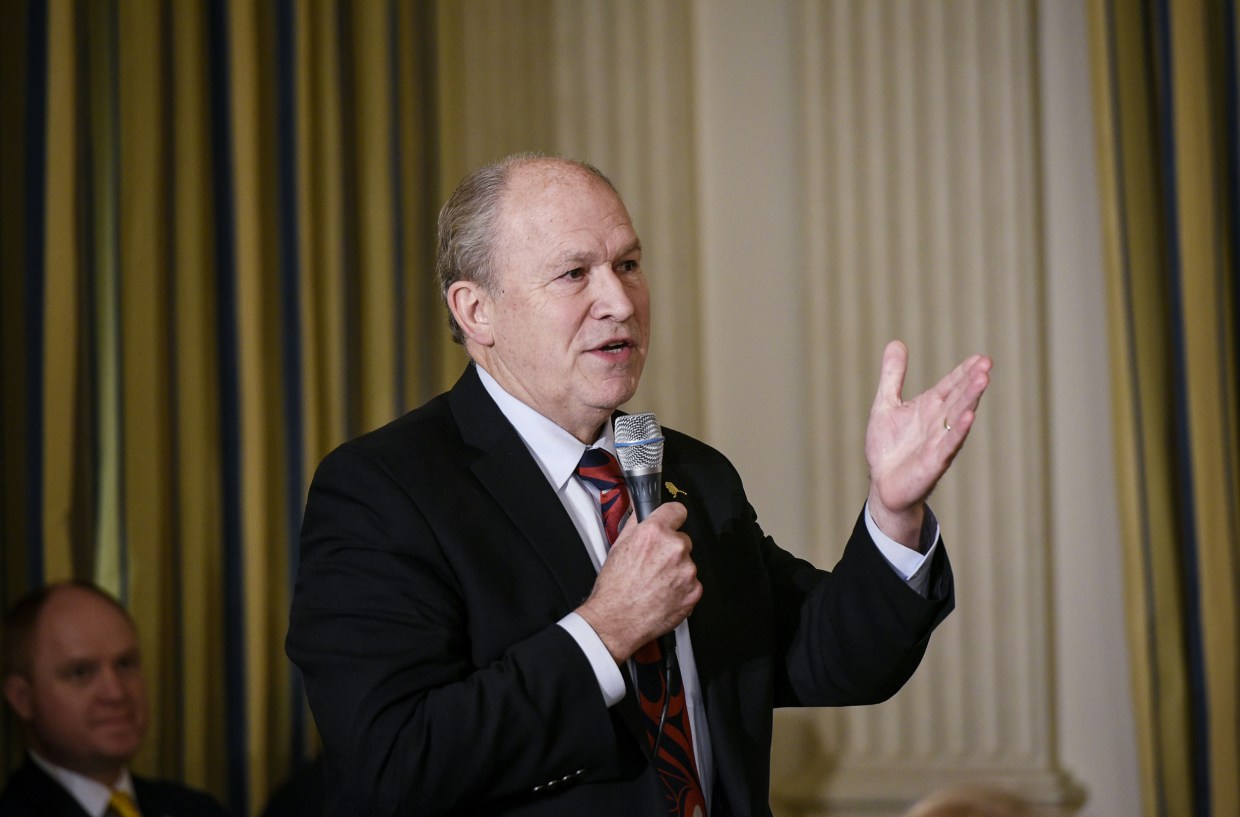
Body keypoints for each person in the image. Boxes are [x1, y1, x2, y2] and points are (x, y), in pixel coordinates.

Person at [286, 153, 993, 817]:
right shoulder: (384, 489)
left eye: (627, 264)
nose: (619, 301)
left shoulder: (695, 474)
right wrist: (605, 631)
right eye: (574, 274)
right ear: (477, 311)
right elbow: (392, 764)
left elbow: (830, 656)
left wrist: (893, 511)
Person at [0, 581, 229, 817]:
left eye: (125, 665)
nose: (116, 693)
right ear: (22, 698)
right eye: (81, 672)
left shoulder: (195, 809)